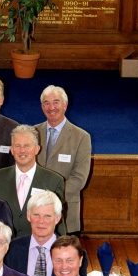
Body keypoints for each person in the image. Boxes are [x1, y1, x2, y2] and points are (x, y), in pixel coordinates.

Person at [0, 126, 65, 239]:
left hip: (38, 244)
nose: (22, 150)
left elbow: (58, 222)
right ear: (12, 149)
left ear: (37, 149)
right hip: (4, 245)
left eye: (27, 146)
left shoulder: (54, 181)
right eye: (17, 146)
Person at [35, 85, 91, 234]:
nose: (51, 107)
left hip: (66, 212)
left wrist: (51, 199)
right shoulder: (32, 133)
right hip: (35, 213)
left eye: (56, 102)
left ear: (65, 105)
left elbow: (79, 179)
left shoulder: (82, 137)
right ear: (42, 107)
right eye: (46, 103)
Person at [4, 190, 69, 276]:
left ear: (57, 218)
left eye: (47, 216)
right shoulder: (12, 249)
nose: (41, 221)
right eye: (36, 215)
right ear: (28, 215)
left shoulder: (72, 252)